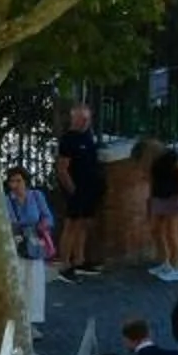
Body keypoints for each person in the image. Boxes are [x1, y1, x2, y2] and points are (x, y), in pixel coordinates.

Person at [53, 103, 106, 277]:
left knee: (83, 224)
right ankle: (65, 263)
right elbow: (62, 169)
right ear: (74, 119)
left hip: (90, 188)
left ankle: (79, 260)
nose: (85, 122)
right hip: (76, 190)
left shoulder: (88, 136)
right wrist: (72, 191)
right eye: (81, 118)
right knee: (71, 225)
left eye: (87, 118)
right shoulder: (69, 139)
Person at [2, 166, 55, 335]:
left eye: (18, 181)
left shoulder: (37, 196)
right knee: (17, 284)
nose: (15, 185)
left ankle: (30, 323)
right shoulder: (7, 200)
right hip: (16, 245)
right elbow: (6, 222)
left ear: (25, 181)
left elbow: (48, 217)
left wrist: (43, 225)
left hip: (34, 243)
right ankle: (14, 322)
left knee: (34, 285)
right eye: (12, 181)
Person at [145, 146, 178, 282]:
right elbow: (151, 181)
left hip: (174, 197)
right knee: (155, 230)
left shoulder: (169, 158)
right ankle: (164, 263)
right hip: (159, 196)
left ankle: (175, 269)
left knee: (172, 232)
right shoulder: (150, 163)